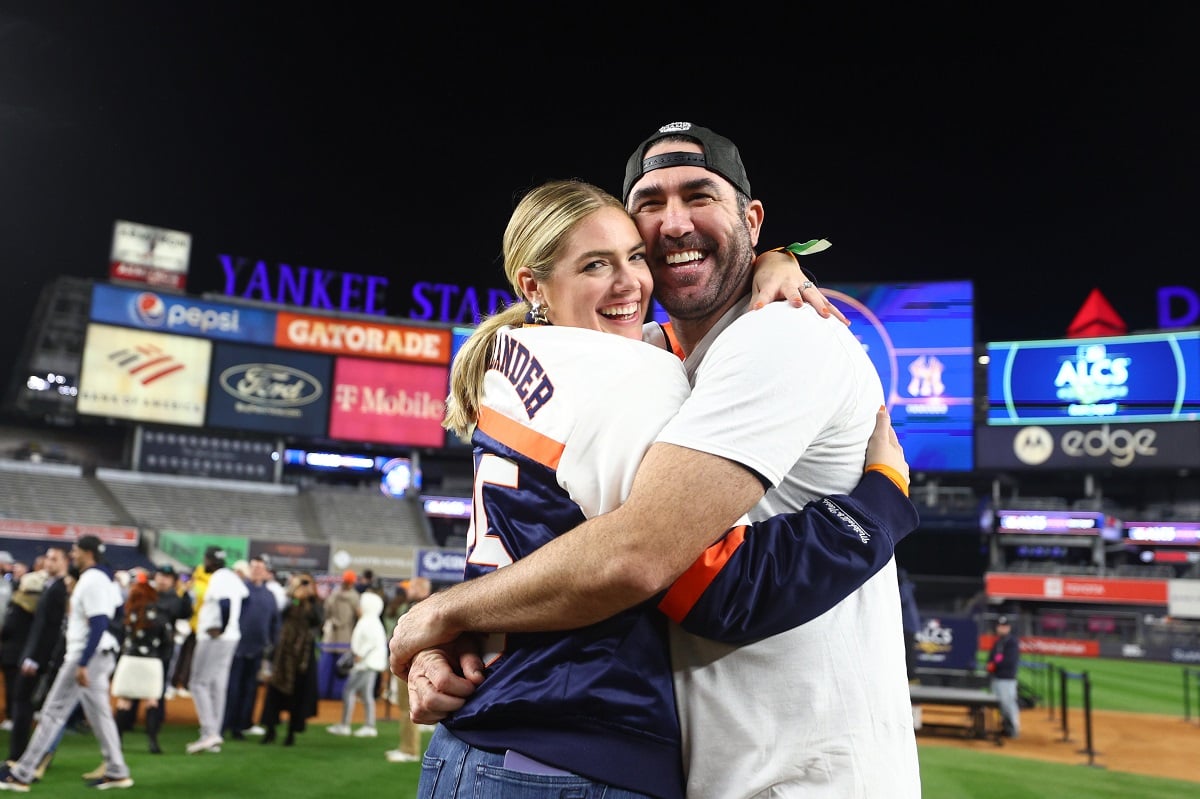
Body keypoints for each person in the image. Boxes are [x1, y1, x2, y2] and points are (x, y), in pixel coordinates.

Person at [391, 125, 924, 798]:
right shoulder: (626, 365)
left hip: (794, 777)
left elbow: (631, 555)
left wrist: (446, 616)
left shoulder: (761, 335)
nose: (672, 227)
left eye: (699, 195)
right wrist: (884, 501)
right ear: (536, 284)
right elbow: (662, 564)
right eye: (650, 208)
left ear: (751, 219)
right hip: (584, 746)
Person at [0, 535, 132, 791]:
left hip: (86, 655)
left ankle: (23, 773)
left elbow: (99, 623)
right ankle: (117, 770)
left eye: (76, 550)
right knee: (100, 714)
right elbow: (115, 616)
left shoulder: (92, 579)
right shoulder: (104, 579)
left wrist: (82, 663)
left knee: (52, 712)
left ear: (88, 552)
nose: (74, 553)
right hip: (99, 654)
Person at [7, 546, 69, 765]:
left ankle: (20, 756)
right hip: (38, 655)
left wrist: (33, 657)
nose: (48, 563)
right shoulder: (52, 587)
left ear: (64, 562)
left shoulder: (59, 589)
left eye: (54, 559)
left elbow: (49, 628)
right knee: (35, 706)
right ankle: (28, 755)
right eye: (48, 559)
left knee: (29, 704)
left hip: (40, 658)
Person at [185, 545, 249, 754]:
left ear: (210, 560)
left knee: (198, 683)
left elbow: (224, 603)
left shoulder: (220, 577)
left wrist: (220, 627)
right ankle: (214, 735)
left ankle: (209, 732)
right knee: (217, 685)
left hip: (215, 638)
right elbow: (246, 597)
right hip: (231, 637)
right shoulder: (231, 576)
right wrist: (232, 625)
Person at [111, 572, 174, 755]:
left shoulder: (128, 613)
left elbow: (120, 637)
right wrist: (161, 658)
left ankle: (117, 741)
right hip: (151, 661)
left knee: (124, 701)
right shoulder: (159, 614)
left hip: (129, 659)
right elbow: (167, 640)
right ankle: (153, 741)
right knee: (152, 700)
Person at [259, 572, 322, 746]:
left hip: (302, 656)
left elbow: (317, 620)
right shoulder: (291, 601)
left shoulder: (314, 604)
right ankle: (270, 730)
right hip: (283, 654)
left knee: (298, 695)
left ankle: (291, 733)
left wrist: (309, 598)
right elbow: (285, 612)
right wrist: (295, 596)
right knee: (275, 693)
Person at [223, 556, 279, 741]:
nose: (256, 570)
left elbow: (274, 623)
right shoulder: (240, 590)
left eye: (260, 568)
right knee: (233, 688)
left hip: (258, 650)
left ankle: (242, 724)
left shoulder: (269, 596)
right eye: (253, 567)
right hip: (237, 647)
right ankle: (225, 723)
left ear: (265, 571)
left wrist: (273, 645)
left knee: (250, 690)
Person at [383, 577, 431, 764]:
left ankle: (409, 750)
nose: (409, 589)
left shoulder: (421, 607)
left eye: (412, 586)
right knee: (406, 707)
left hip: (412, 663)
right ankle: (406, 747)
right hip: (411, 662)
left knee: (408, 708)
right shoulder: (420, 606)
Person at [327, 589, 387, 738]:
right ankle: (369, 725)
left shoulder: (369, 622)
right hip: (368, 664)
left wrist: (360, 655)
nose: (358, 607)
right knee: (366, 696)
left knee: (349, 691)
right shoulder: (371, 621)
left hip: (364, 665)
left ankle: (345, 725)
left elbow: (371, 643)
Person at [321, 569, 360, 699]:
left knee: (326, 666)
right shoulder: (355, 597)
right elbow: (358, 616)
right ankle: (339, 694)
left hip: (331, 634)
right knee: (342, 666)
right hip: (346, 634)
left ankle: (323, 691)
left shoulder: (333, 594)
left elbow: (326, 612)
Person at [986, 614, 1021, 738]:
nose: (1002, 629)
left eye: (1004, 626)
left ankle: (1013, 729)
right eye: (1000, 626)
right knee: (1000, 705)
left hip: (1007, 679)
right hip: (997, 678)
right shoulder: (998, 642)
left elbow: (1010, 661)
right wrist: (990, 664)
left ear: (1009, 628)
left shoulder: (1011, 642)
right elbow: (991, 658)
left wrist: (995, 664)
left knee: (1008, 704)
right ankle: (1005, 727)